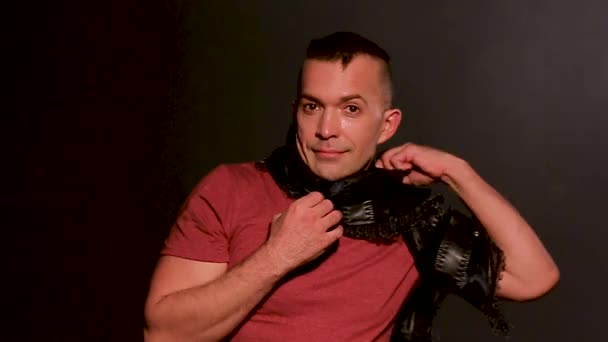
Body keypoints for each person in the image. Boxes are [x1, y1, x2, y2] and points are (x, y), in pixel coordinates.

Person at [143, 32, 559, 341]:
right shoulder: (230, 188)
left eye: (351, 109)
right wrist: (276, 256)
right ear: (296, 112)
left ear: (387, 124)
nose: (326, 129)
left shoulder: (407, 216)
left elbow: (534, 277)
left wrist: (458, 172)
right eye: (312, 107)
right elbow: (163, 334)